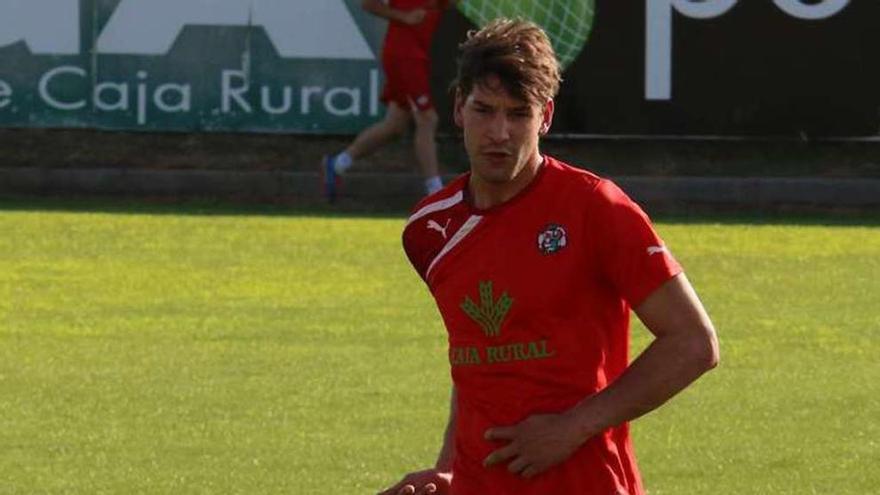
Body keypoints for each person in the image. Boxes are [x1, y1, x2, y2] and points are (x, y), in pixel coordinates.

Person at [382, 18, 720, 495]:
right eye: (484, 109)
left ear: (546, 117)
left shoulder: (595, 207)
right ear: (459, 108)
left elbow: (694, 343)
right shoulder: (429, 230)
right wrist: (450, 469)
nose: (499, 132)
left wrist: (573, 427)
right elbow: (476, 360)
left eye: (519, 113)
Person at [321, 0, 456, 202]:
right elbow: (368, 4)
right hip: (403, 54)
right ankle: (435, 192)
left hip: (419, 53)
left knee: (395, 126)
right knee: (428, 118)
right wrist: (405, 17)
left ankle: (338, 164)